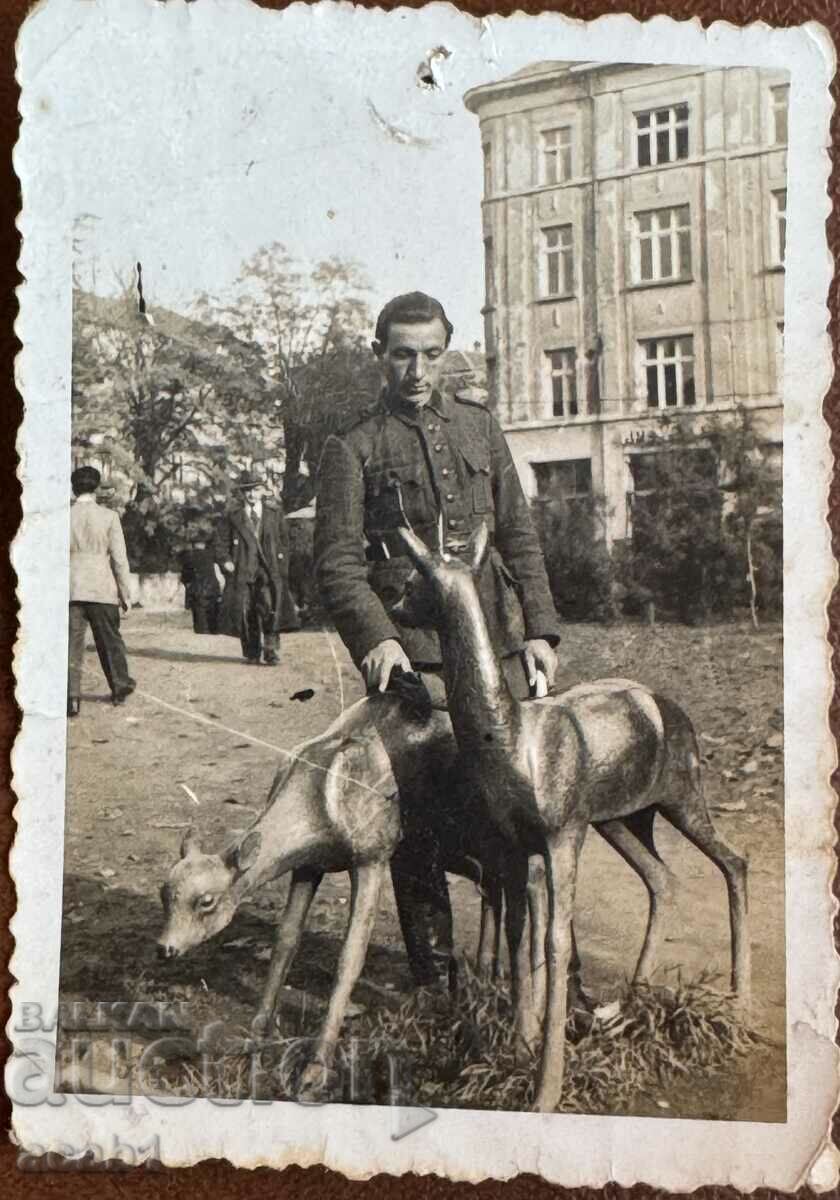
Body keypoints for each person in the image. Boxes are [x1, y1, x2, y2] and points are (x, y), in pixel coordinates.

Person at [314, 291, 561, 990]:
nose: (417, 369)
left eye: (431, 353)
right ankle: (437, 983)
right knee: (417, 827)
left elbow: (518, 536)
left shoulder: (481, 431)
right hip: (414, 663)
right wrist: (378, 641)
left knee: (520, 809)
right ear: (379, 356)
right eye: (402, 354)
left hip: (495, 658)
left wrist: (540, 630)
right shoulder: (354, 446)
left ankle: (538, 974)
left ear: (447, 350)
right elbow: (337, 563)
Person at [67, 465, 136, 717]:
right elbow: (119, 559)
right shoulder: (109, 517)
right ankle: (120, 688)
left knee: (70, 645)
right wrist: (125, 593)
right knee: (110, 641)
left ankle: (71, 698)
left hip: (71, 587)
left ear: (74, 488)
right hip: (101, 587)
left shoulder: (62, 516)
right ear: (96, 488)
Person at [215, 471, 299, 665]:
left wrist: (282, 565)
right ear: (242, 494)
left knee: (270, 606)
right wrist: (225, 560)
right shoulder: (232, 516)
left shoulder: (274, 513)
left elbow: (285, 541)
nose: (251, 495)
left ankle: (270, 650)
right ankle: (252, 651)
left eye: (255, 490)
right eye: (247, 491)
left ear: (262, 491)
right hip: (243, 568)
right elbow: (220, 542)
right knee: (247, 611)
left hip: (269, 570)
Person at [180, 530, 222, 635]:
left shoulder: (189, 556)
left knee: (200, 619)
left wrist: (188, 586)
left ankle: (203, 633)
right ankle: (214, 631)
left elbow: (186, 576)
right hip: (212, 588)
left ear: (194, 544)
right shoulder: (211, 555)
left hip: (197, 590)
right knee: (213, 614)